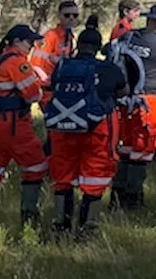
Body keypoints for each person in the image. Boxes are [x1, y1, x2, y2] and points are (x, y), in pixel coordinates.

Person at [47, 27, 128, 237]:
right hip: (97, 128)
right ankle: (86, 230)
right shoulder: (108, 68)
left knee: (63, 176)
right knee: (95, 175)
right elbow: (123, 90)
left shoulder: (62, 66)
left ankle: (60, 228)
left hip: (62, 128)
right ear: (98, 47)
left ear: (78, 45)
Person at [0, 25, 49, 226]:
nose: (33, 45)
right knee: (37, 164)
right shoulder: (17, 63)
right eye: (29, 41)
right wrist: (39, 82)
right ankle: (29, 217)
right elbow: (33, 95)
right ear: (17, 41)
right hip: (13, 124)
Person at [111, 4, 156, 209]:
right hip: (147, 101)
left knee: (125, 146)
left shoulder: (129, 37)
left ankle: (117, 193)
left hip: (124, 99)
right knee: (142, 148)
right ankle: (133, 198)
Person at [34, 0, 81, 105]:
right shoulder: (50, 36)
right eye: (67, 15)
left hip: (62, 86)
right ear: (59, 16)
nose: (71, 18)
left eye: (75, 15)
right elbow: (35, 64)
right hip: (49, 89)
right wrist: (46, 80)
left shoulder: (70, 37)